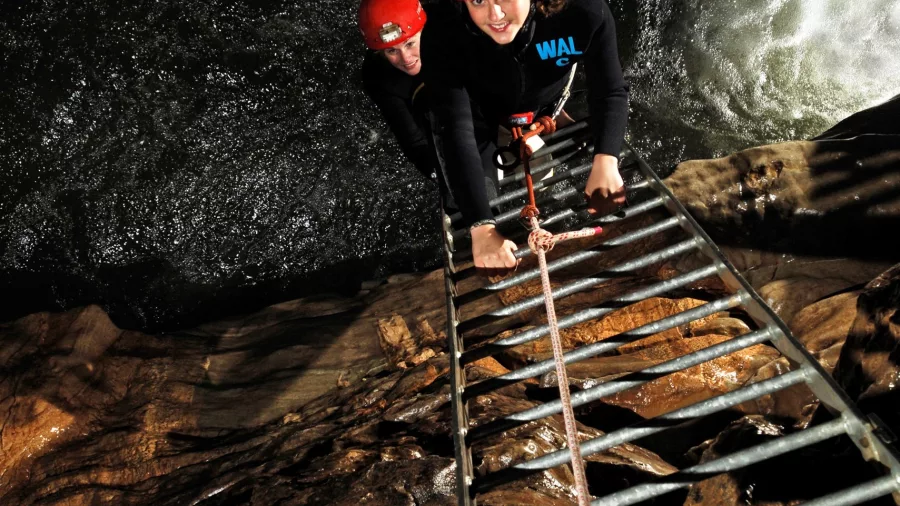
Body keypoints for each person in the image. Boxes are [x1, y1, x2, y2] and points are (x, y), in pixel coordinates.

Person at [421, 0, 630, 275]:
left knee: (595, 168)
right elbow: (453, 129)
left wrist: (606, 158)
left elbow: (609, 89)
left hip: (546, 110)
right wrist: (481, 227)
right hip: (479, 118)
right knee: (465, 212)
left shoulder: (583, 11)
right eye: (478, 0)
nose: (495, 15)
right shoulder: (444, 29)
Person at [358, 0, 435, 181]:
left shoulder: (451, 25)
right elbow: (413, 140)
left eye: (409, 44)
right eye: (392, 51)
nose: (406, 59)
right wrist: (438, 172)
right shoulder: (377, 75)